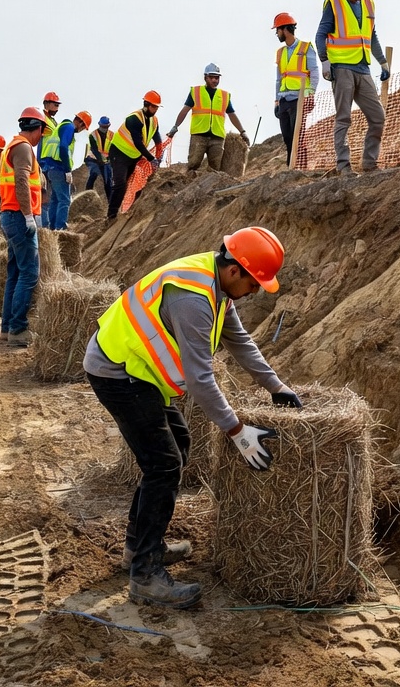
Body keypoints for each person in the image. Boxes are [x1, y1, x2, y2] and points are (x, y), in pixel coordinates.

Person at [83, 226, 303, 608]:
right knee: (163, 465)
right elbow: (201, 378)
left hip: (140, 374)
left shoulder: (217, 287)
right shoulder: (193, 300)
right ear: (234, 270)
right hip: (117, 371)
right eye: (254, 283)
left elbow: (240, 341)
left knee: (177, 446)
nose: (254, 292)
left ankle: (139, 549)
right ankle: (145, 575)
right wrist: (237, 431)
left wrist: (276, 387)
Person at [314, 0, 390, 174]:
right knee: (344, 117)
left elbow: (371, 36)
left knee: (378, 117)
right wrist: (325, 60)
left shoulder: (369, 5)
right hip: (342, 69)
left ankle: (369, 163)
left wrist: (382, 61)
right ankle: (344, 167)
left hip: (363, 69)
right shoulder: (334, 4)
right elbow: (321, 35)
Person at [0, 107, 45, 347]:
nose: (41, 137)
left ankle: (7, 329)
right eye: (42, 132)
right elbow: (21, 181)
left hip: (10, 215)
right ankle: (18, 329)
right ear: (37, 129)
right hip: (18, 217)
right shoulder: (24, 148)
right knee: (29, 273)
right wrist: (29, 216)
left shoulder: (14, 146)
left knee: (15, 273)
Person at [166, 64, 250, 171]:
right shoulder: (196, 92)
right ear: (205, 77)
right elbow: (185, 110)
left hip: (217, 136)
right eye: (211, 77)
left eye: (217, 78)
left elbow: (232, 115)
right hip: (199, 135)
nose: (214, 80)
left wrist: (242, 131)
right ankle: (190, 183)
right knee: (194, 163)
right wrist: (175, 126)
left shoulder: (224, 96)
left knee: (215, 167)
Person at [107, 92, 164, 221]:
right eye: (153, 107)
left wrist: (160, 150)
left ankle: (125, 209)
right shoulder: (134, 118)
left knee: (128, 183)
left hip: (133, 156)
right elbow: (138, 142)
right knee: (120, 183)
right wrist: (151, 158)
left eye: (157, 107)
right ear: (146, 105)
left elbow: (157, 137)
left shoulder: (154, 120)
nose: (155, 110)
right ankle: (111, 215)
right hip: (119, 153)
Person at [272, 12, 319, 166]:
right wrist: (277, 101)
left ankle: (300, 166)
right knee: (287, 136)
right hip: (284, 100)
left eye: (277, 30)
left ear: (285, 29)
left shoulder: (306, 48)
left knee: (297, 135)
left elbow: (314, 72)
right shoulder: (280, 53)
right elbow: (279, 79)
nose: (277, 34)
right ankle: (292, 166)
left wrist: (310, 94)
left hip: (299, 99)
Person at [39, 110, 92, 229]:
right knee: (65, 200)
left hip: (51, 169)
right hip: (59, 168)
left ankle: (52, 228)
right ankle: (60, 228)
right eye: (83, 128)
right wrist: (68, 170)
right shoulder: (69, 127)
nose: (81, 130)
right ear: (81, 123)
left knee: (55, 200)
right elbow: (63, 147)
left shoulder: (61, 127)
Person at [39, 91, 61, 229]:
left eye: (58, 105)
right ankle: (43, 227)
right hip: (43, 160)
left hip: (51, 161)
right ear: (46, 104)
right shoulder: (41, 118)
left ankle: (49, 226)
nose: (57, 108)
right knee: (44, 197)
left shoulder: (53, 121)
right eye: (55, 104)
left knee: (51, 197)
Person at [85, 116, 114, 199]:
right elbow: (94, 149)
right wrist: (100, 160)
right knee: (94, 173)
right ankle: (87, 196)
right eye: (102, 126)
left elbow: (113, 149)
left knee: (108, 180)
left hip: (106, 160)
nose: (104, 128)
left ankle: (110, 201)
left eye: (105, 127)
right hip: (93, 159)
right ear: (99, 125)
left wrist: (110, 159)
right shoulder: (93, 135)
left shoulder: (112, 135)